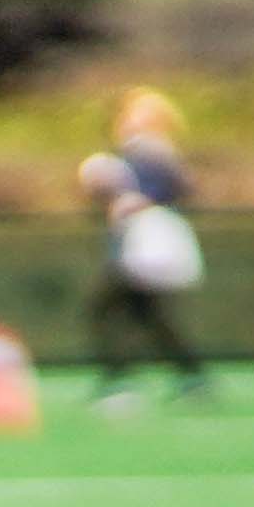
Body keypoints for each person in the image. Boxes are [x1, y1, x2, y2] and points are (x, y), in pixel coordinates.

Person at [83, 90, 214, 405]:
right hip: (138, 244)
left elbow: (176, 189)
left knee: (106, 310)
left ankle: (119, 383)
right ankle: (192, 377)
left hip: (148, 246)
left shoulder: (151, 152)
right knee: (150, 316)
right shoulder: (132, 154)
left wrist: (134, 199)